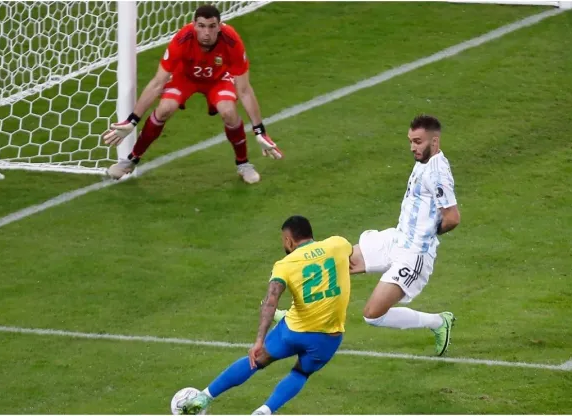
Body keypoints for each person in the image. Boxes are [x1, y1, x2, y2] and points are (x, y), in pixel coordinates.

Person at [278, 115, 460, 356]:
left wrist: (426, 234)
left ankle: (438, 322)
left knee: (372, 314)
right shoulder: (424, 160)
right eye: (410, 141)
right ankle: (294, 316)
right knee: (333, 261)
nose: (412, 147)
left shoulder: (437, 173)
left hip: (414, 254)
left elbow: (452, 217)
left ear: (434, 141)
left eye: (418, 142)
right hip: (395, 239)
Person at [181, 215, 353, 415]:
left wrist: (259, 340)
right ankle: (265, 410)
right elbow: (351, 262)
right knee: (301, 373)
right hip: (325, 339)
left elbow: (270, 301)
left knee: (255, 360)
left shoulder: (285, 264)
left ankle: (203, 398)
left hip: (293, 332)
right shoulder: (339, 244)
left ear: (289, 240)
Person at [102, 4, 283, 183]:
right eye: (201, 26)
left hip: (218, 79)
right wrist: (132, 120)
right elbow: (157, 83)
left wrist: (260, 131)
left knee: (229, 111)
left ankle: (243, 164)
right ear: (194, 25)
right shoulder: (182, 39)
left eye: (212, 27)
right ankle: (131, 160)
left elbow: (244, 90)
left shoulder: (232, 41)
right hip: (185, 77)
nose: (206, 32)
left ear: (219, 26)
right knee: (165, 108)